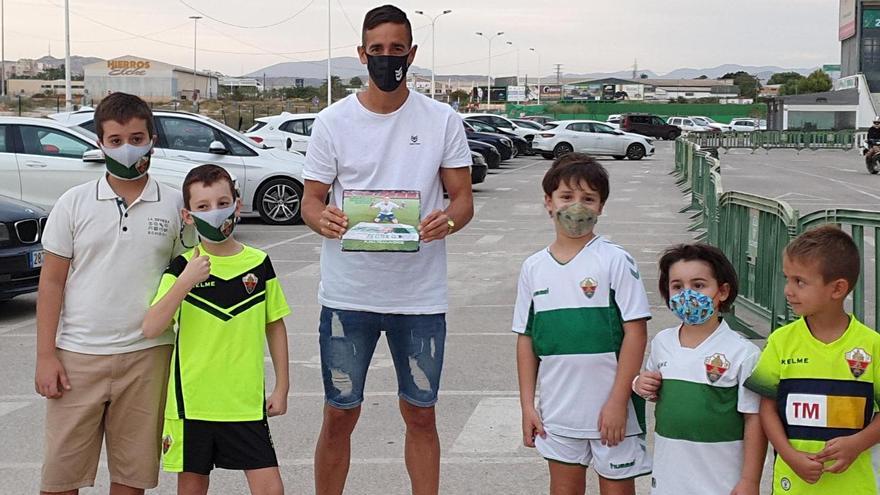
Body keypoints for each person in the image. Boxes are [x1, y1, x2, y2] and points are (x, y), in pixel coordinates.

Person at [301, 5, 473, 494]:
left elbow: (462, 200)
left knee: (421, 415)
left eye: (396, 50)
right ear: (361, 54)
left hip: (419, 299)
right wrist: (325, 220)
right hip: (347, 295)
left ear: (412, 54)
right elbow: (311, 202)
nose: (386, 58)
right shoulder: (333, 122)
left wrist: (449, 221)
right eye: (376, 50)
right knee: (339, 415)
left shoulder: (442, 120)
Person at [35, 92, 185, 494]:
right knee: (59, 479)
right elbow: (51, 283)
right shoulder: (74, 203)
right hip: (77, 357)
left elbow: (184, 278)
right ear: (100, 144)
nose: (127, 148)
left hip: (147, 357)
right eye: (115, 140)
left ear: (152, 138)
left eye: (137, 138)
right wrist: (46, 356)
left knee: (131, 478)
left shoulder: (174, 204)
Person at [142, 164, 290, 495]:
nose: (215, 213)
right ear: (189, 215)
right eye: (203, 207)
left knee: (271, 488)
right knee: (193, 488)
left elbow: (275, 326)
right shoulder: (182, 267)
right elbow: (152, 326)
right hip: (192, 404)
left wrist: (282, 387)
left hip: (244, 402)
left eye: (223, 203)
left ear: (237, 205)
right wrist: (185, 282)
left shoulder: (258, 263)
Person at [514, 153, 652, 495]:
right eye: (566, 197)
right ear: (548, 202)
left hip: (612, 413)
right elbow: (527, 340)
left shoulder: (615, 260)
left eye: (588, 199)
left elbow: (636, 332)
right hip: (558, 413)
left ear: (601, 206)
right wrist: (528, 406)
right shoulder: (533, 267)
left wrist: (618, 402)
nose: (577, 207)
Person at [745, 225, 880, 494]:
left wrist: (858, 443)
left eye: (800, 282)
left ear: (838, 288)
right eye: (787, 278)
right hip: (792, 485)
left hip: (856, 487)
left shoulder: (872, 345)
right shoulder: (781, 341)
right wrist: (789, 455)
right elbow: (767, 408)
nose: (788, 290)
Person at [633, 244, 766, 495]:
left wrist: (750, 480)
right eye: (677, 286)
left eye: (698, 285)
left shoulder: (743, 353)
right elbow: (651, 387)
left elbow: (754, 419)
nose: (687, 294)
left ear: (723, 291)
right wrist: (640, 384)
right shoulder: (662, 342)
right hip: (669, 479)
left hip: (720, 481)